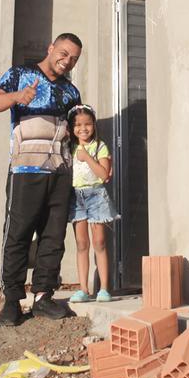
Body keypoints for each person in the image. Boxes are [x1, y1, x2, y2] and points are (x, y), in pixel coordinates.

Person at [0, 32, 83, 326]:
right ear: (50, 47)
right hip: (25, 171)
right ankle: (12, 301)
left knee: (53, 236)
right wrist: (17, 97)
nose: (67, 61)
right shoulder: (20, 74)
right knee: (18, 234)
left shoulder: (71, 91)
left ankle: (43, 296)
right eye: (63, 53)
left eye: (74, 59)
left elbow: (78, 128)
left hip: (60, 171)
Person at [65, 104, 115, 303]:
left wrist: (86, 156)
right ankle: (84, 289)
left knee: (99, 242)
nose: (83, 128)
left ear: (94, 125)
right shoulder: (69, 147)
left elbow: (103, 175)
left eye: (87, 124)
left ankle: (103, 288)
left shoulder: (100, 146)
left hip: (96, 196)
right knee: (81, 243)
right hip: (76, 197)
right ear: (71, 128)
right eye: (77, 125)